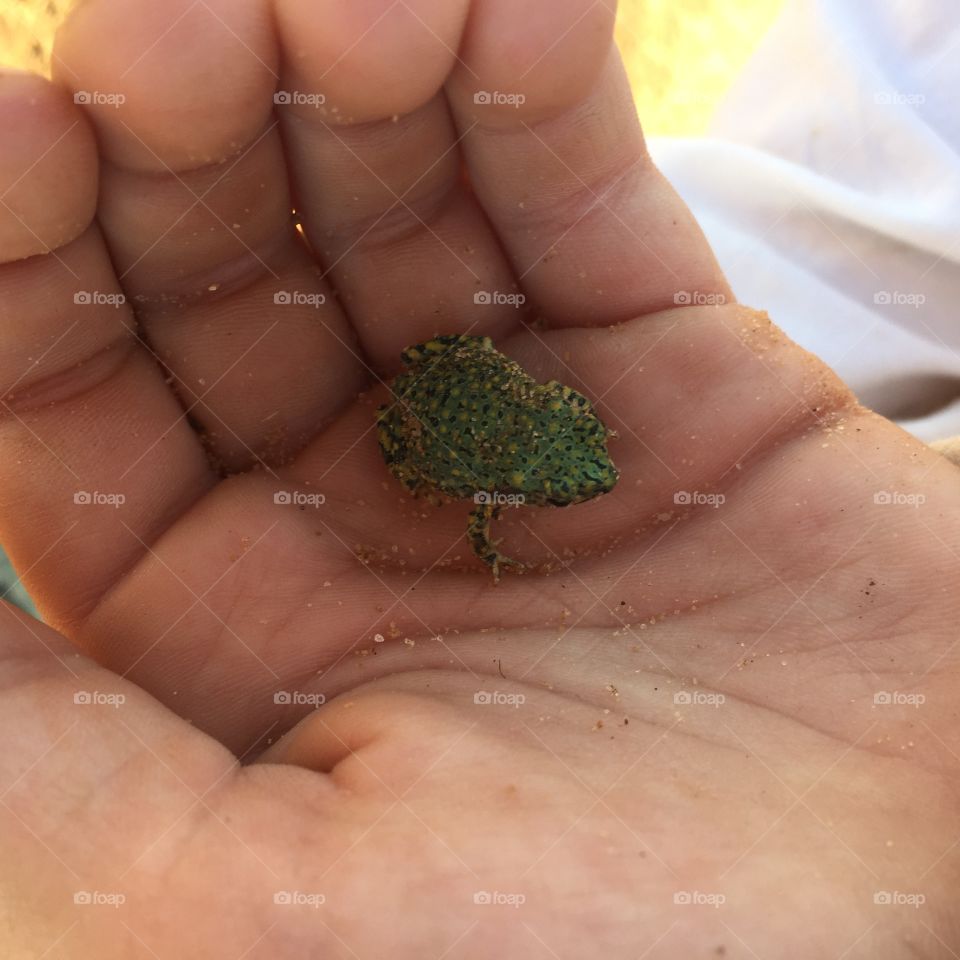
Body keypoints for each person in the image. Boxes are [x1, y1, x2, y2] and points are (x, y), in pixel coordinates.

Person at [0, 0, 956, 956]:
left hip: (470, 389)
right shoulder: (516, 484)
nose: (597, 479)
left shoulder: (550, 451)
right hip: (462, 403)